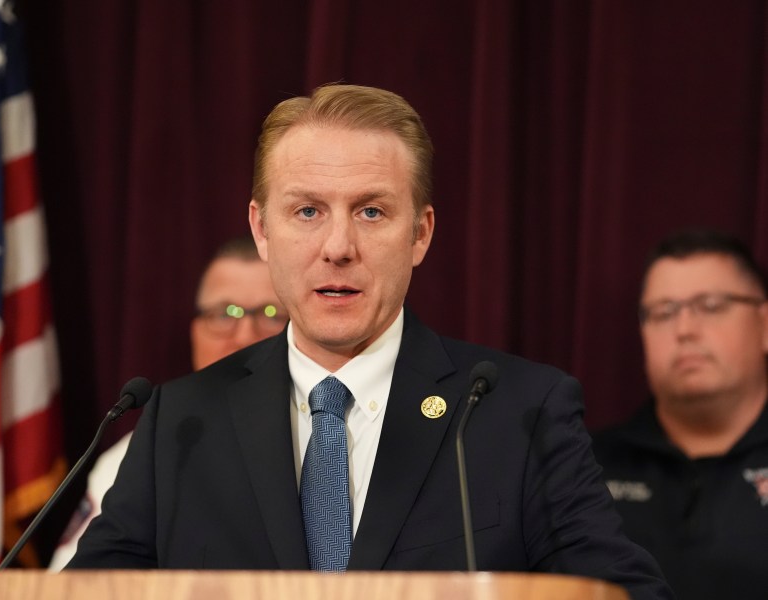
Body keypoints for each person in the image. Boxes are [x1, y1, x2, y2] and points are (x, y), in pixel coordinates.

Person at [68, 83, 672, 599]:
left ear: (420, 233)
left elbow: (622, 593)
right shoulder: (182, 421)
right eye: (306, 211)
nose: (337, 247)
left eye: (371, 212)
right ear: (261, 230)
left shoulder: (519, 412)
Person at [48, 235, 287, 570]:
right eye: (224, 314)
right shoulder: (145, 454)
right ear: (194, 331)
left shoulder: (325, 433)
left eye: (271, 314)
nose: (244, 334)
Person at [592, 229, 768, 600]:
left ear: (764, 323)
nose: (685, 329)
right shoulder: (582, 467)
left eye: (711, 306)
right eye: (664, 312)